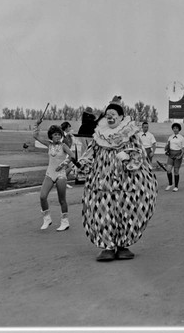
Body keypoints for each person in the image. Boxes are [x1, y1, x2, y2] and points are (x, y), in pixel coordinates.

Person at [62, 96, 158, 262]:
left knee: (126, 211)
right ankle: (108, 246)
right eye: (108, 115)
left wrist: (128, 156)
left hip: (126, 182)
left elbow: (140, 154)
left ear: (121, 117)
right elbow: (90, 153)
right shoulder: (100, 134)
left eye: (114, 114)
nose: (111, 117)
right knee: (103, 211)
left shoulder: (131, 134)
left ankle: (122, 245)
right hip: (102, 182)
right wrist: (79, 164)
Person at [33, 123, 78, 232]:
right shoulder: (49, 145)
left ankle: (65, 222)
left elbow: (72, 156)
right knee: (42, 196)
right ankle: (47, 218)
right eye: (55, 135)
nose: (57, 136)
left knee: (61, 200)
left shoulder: (63, 146)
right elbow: (35, 136)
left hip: (60, 175)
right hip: (49, 174)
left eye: (59, 134)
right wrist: (37, 124)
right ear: (51, 136)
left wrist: (62, 165)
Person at [165, 122, 184, 192]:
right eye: (174, 128)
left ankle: (176, 186)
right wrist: (166, 149)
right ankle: (170, 183)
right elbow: (167, 146)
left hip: (178, 154)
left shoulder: (181, 138)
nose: (175, 130)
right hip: (171, 154)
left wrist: (181, 156)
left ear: (179, 129)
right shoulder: (170, 137)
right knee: (168, 169)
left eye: (176, 128)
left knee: (176, 171)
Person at [61, 121, 75, 188]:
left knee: (69, 167)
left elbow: (72, 143)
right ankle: (62, 181)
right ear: (66, 128)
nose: (70, 128)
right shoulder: (62, 136)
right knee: (69, 167)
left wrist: (71, 136)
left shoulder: (68, 136)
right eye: (69, 127)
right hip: (63, 154)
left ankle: (63, 181)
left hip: (67, 154)